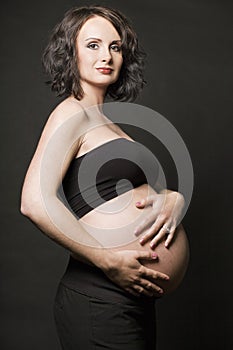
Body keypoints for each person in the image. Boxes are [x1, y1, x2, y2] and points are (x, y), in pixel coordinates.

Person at [20, 5, 189, 350]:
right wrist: (107, 260)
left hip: (132, 299)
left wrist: (174, 198)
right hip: (99, 297)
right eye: (93, 45)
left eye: (115, 46)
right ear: (71, 53)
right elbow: (34, 202)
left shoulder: (109, 124)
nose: (107, 56)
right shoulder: (72, 112)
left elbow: (127, 195)